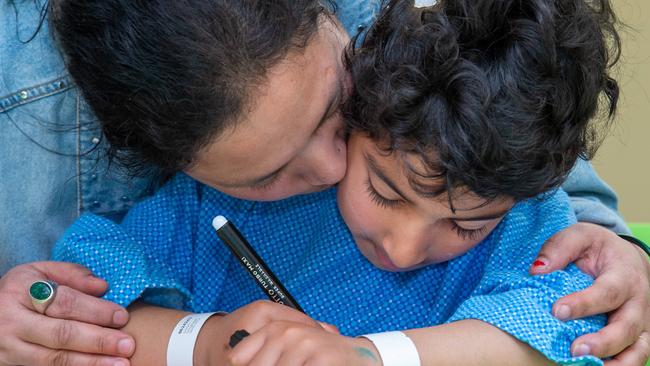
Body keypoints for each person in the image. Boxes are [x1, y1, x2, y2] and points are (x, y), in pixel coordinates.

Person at [0, 0, 648, 365]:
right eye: (269, 172)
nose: (401, 246)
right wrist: (213, 345)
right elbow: (87, 308)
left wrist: (369, 358)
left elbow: (561, 321)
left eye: (332, 119)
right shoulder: (198, 210)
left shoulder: (449, 138)